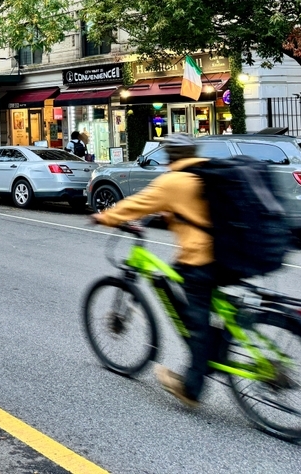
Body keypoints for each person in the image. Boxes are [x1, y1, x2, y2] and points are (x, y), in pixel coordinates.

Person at [91, 133, 218, 408]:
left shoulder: (173, 181)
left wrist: (105, 216)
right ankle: (220, 345)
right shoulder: (206, 170)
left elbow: (138, 203)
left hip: (202, 257)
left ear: (171, 156)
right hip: (229, 253)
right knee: (188, 289)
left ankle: (192, 387)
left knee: (196, 322)